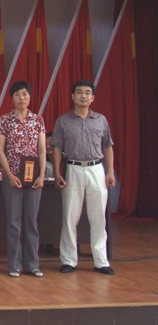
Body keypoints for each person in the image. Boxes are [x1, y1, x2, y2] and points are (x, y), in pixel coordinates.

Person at [52, 79, 115, 275]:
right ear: (72, 96)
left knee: (98, 217)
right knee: (70, 216)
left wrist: (110, 171)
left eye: (87, 93)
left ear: (93, 98)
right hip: (73, 168)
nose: (83, 96)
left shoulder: (101, 120)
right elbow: (57, 147)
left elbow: (107, 146)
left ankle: (101, 261)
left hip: (96, 169)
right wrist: (57, 172)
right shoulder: (63, 120)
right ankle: (69, 260)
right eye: (79, 92)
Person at [0, 81, 46, 278]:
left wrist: (41, 175)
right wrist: (9, 175)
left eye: (24, 94)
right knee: (14, 222)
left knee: (31, 222)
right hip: (12, 177)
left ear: (30, 96)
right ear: (12, 98)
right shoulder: (5, 120)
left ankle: (33, 264)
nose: (21, 98)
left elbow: (42, 150)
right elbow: (0, 150)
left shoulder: (38, 120)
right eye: (17, 95)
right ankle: (14, 265)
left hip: (34, 178)